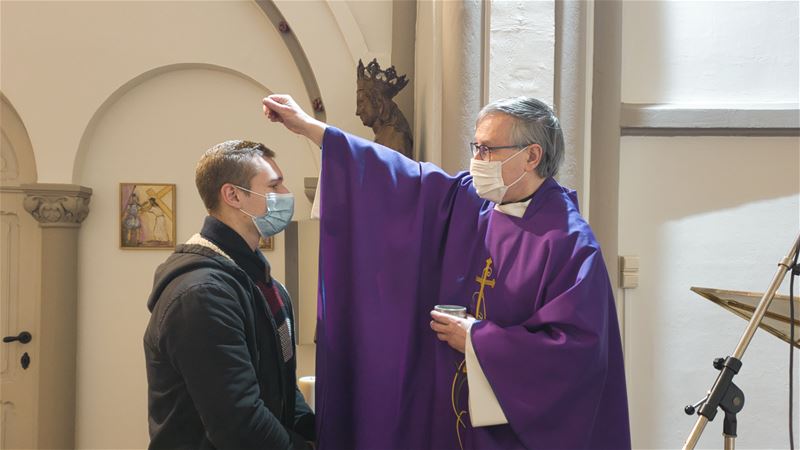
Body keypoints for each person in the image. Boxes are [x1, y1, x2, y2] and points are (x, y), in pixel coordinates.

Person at [263, 94, 630, 450]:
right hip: (449, 415)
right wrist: (312, 129)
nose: (477, 160)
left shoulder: (569, 244)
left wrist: (478, 339)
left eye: (488, 150)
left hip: (508, 434)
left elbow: (576, 355)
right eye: (476, 147)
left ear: (532, 156)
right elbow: (401, 178)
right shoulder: (472, 203)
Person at [143, 140, 315, 449]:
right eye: (274, 186)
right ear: (233, 195)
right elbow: (239, 422)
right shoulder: (202, 294)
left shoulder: (267, 286)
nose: (285, 195)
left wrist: (319, 433)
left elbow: (284, 390)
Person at [356, 58, 414, 159]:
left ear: (378, 102)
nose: (357, 112)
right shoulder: (384, 133)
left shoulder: (395, 136)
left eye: (361, 103)